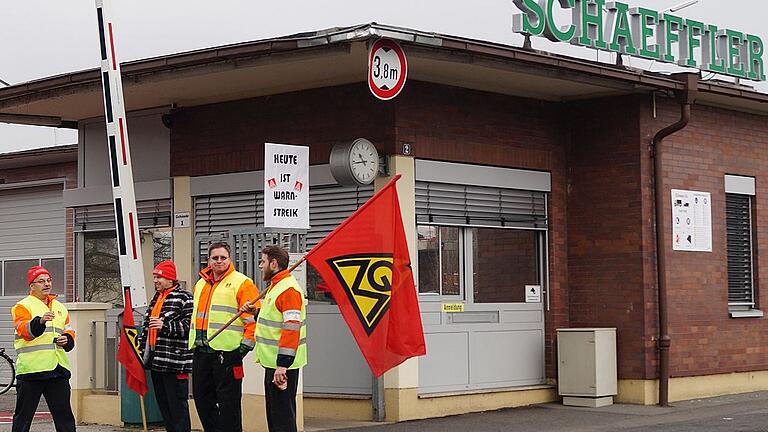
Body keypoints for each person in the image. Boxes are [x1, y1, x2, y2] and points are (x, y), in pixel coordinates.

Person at [189, 242, 259, 432]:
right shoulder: (200, 283)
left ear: (230, 259)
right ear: (208, 260)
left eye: (223, 258)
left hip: (227, 354)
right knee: (202, 401)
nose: (219, 261)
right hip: (202, 352)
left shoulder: (242, 282)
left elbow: (253, 321)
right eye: (215, 258)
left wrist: (242, 350)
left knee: (229, 406)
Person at [243, 245, 307, 432]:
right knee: (276, 416)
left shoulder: (287, 290)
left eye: (262, 262)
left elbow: (291, 328)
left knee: (282, 419)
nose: (260, 266)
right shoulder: (277, 286)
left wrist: (282, 365)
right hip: (274, 363)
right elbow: (274, 319)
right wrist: (255, 311)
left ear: (274, 263)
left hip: (282, 366)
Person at [11, 265, 76, 432]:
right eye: (41, 281)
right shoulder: (22, 306)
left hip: (57, 369)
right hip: (32, 371)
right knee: (23, 419)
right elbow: (24, 331)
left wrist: (67, 339)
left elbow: (69, 330)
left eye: (48, 280)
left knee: (65, 418)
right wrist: (39, 321)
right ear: (32, 286)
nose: (46, 284)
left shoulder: (60, 307)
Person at [137, 260, 193, 432]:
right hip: (156, 361)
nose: (155, 281)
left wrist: (165, 326)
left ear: (170, 279)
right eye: (154, 277)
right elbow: (147, 329)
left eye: (159, 277)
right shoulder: (156, 299)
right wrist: (139, 348)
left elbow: (190, 326)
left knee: (177, 407)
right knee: (165, 407)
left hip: (175, 362)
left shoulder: (185, 298)